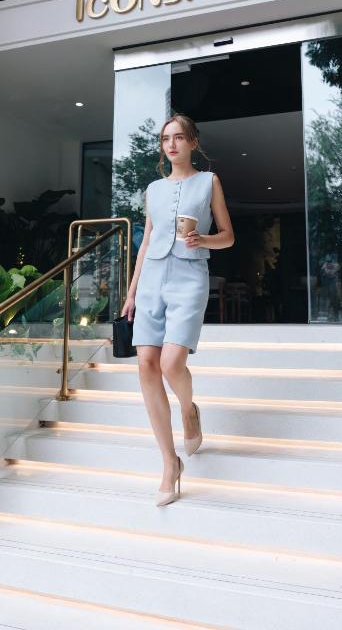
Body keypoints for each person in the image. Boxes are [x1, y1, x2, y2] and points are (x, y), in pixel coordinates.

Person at [121, 114, 234, 507]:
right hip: (151, 279)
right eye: (166, 139)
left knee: (171, 363)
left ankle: (189, 410)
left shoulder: (209, 182)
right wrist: (132, 292)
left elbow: (229, 236)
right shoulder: (153, 189)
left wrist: (202, 238)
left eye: (179, 137)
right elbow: (146, 241)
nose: (171, 145)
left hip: (189, 277)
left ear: (192, 143)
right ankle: (170, 463)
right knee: (146, 364)